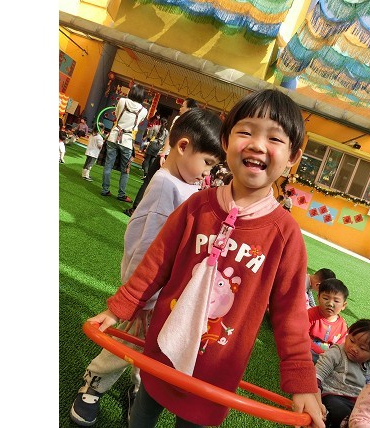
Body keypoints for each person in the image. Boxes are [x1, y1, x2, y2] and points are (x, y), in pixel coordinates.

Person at [87, 89, 326, 428]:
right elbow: (156, 263)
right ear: (226, 142)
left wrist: (302, 380)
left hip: (216, 368)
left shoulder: (285, 235)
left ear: (293, 157)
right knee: (143, 413)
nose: (257, 145)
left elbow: (291, 312)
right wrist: (119, 308)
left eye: (274, 138)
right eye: (246, 132)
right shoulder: (197, 206)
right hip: (165, 345)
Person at [70, 108, 225, 427]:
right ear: (183, 147)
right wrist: (140, 298)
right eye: (207, 163)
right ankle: (94, 384)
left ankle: (141, 390)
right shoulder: (167, 186)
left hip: (168, 294)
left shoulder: (185, 184)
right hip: (147, 295)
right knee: (127, 343)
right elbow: (146, 247)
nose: (207, 173)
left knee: (157, 346)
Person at [123, 97, 198, 217]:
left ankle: (136, 209)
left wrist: (163, 154)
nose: (180, 108)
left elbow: (171, 137)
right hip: (179, 160)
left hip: (168, 156)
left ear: (189, 109)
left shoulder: (179, 119)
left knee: (149, 181)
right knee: (167, 187)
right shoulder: (195, 124)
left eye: (182, 106)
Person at [315, 319, 370, 428]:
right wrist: (317, 403)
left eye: (362, 348)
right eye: (352, 341)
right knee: (340, 411)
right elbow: (316, 376)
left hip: (358, 404)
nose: (354, 348)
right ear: (347, 334)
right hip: (332, 396)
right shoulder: (337, 353)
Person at [101, 84, 148, 203]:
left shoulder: (122, 101)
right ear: (142, 96)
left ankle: (105, 190)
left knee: (108, 165)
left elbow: (117, 115)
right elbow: (138, 123)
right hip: (127, 141)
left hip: (113, 137)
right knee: (125, 170)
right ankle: (121, 194)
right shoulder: (144, 111)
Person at [308, 278, 349, 363]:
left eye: (336, 301)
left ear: (343, 305)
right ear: (318, 298)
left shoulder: (342, 325)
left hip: (327, 358)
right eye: (326, 298)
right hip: (308, 350)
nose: (330, 304)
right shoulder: (310, 314)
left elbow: (339, 348)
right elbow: (301, 336)